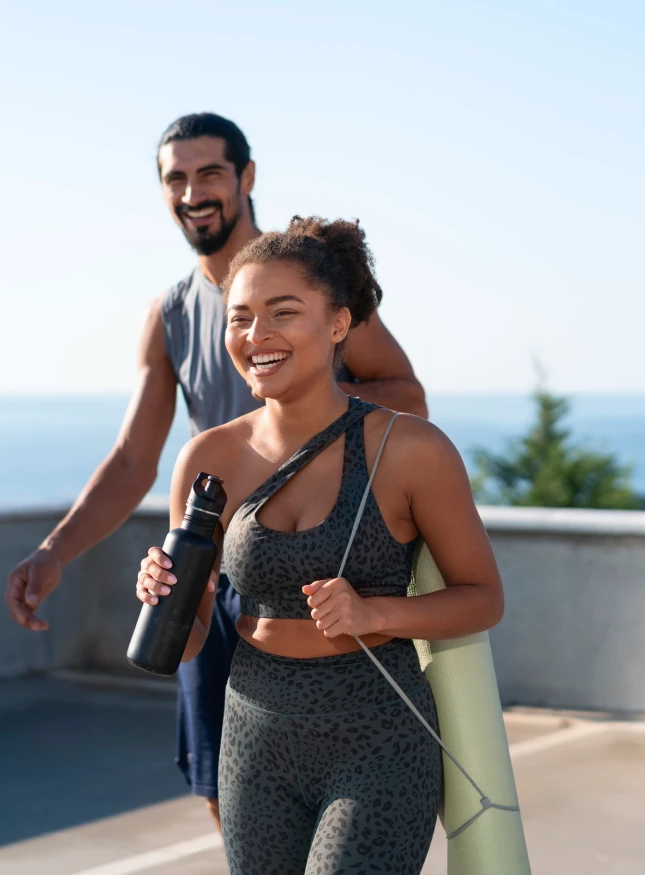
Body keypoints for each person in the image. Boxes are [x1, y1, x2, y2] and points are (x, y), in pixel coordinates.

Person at [5, 113, 427, 831]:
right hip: (216, 575)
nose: (193, 191)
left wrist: (294, 422)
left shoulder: (306, 282)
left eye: (209, 173)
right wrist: (56, 549)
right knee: (224, 794)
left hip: (319, 569)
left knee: (344, 800)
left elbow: (407, 398)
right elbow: (135, 456)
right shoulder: (169, 313)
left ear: (246, 178)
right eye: (176, 177)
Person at [135, 216, 505, 874]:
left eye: (283, 312)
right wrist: (162, 595)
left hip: (378, 737)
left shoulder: (409, 448)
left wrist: (375, 613)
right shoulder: (208, 457)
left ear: (337, 323)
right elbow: (191, 639)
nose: (257, 336)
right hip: (254, 737)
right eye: (240, 317)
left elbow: (482, 598)